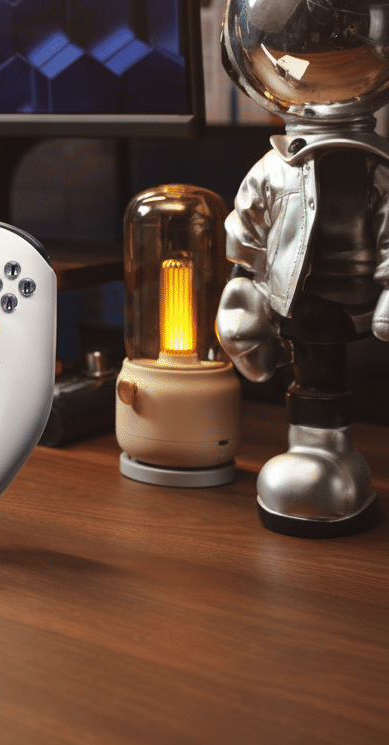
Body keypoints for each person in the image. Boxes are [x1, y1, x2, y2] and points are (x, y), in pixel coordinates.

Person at [216, 0, 389, 536]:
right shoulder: (274, 167)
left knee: (335, 372)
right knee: (308, 370)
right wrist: (244, 287)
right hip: (295, 297)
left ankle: (333, 453)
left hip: (355, 301)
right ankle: (312, 449)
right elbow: (246, 229)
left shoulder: (375, 167)